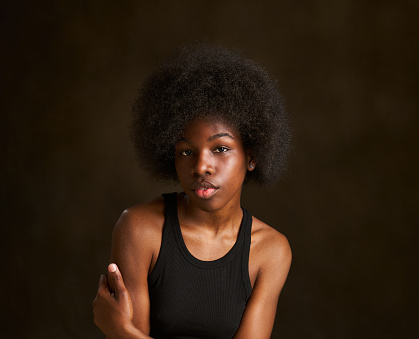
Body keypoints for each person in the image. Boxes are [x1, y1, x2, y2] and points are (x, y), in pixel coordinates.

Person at [93, 44, 292, 339]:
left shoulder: (270, 251)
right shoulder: (140, 229)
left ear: (252, 156)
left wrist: (121, 331)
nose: (201, 166)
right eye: (186, 152)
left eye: (220, 149)